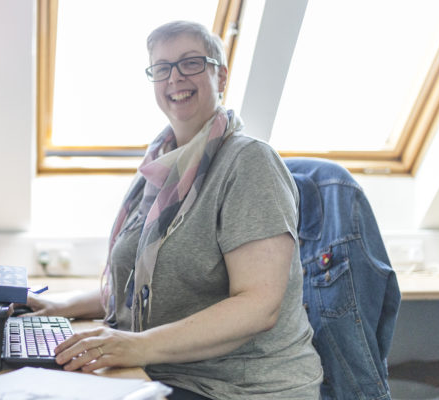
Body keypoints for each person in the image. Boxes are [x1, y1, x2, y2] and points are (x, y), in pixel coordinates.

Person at [23, 20, 323, 399]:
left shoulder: (249, 163)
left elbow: (258, 306)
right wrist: (64, 304)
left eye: (191, 63)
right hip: (164, 371)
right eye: (162, 68)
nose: (175, 78)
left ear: (221, 75)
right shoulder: (161, 167)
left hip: (239, 387)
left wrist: (138, 345)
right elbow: (142, 288)